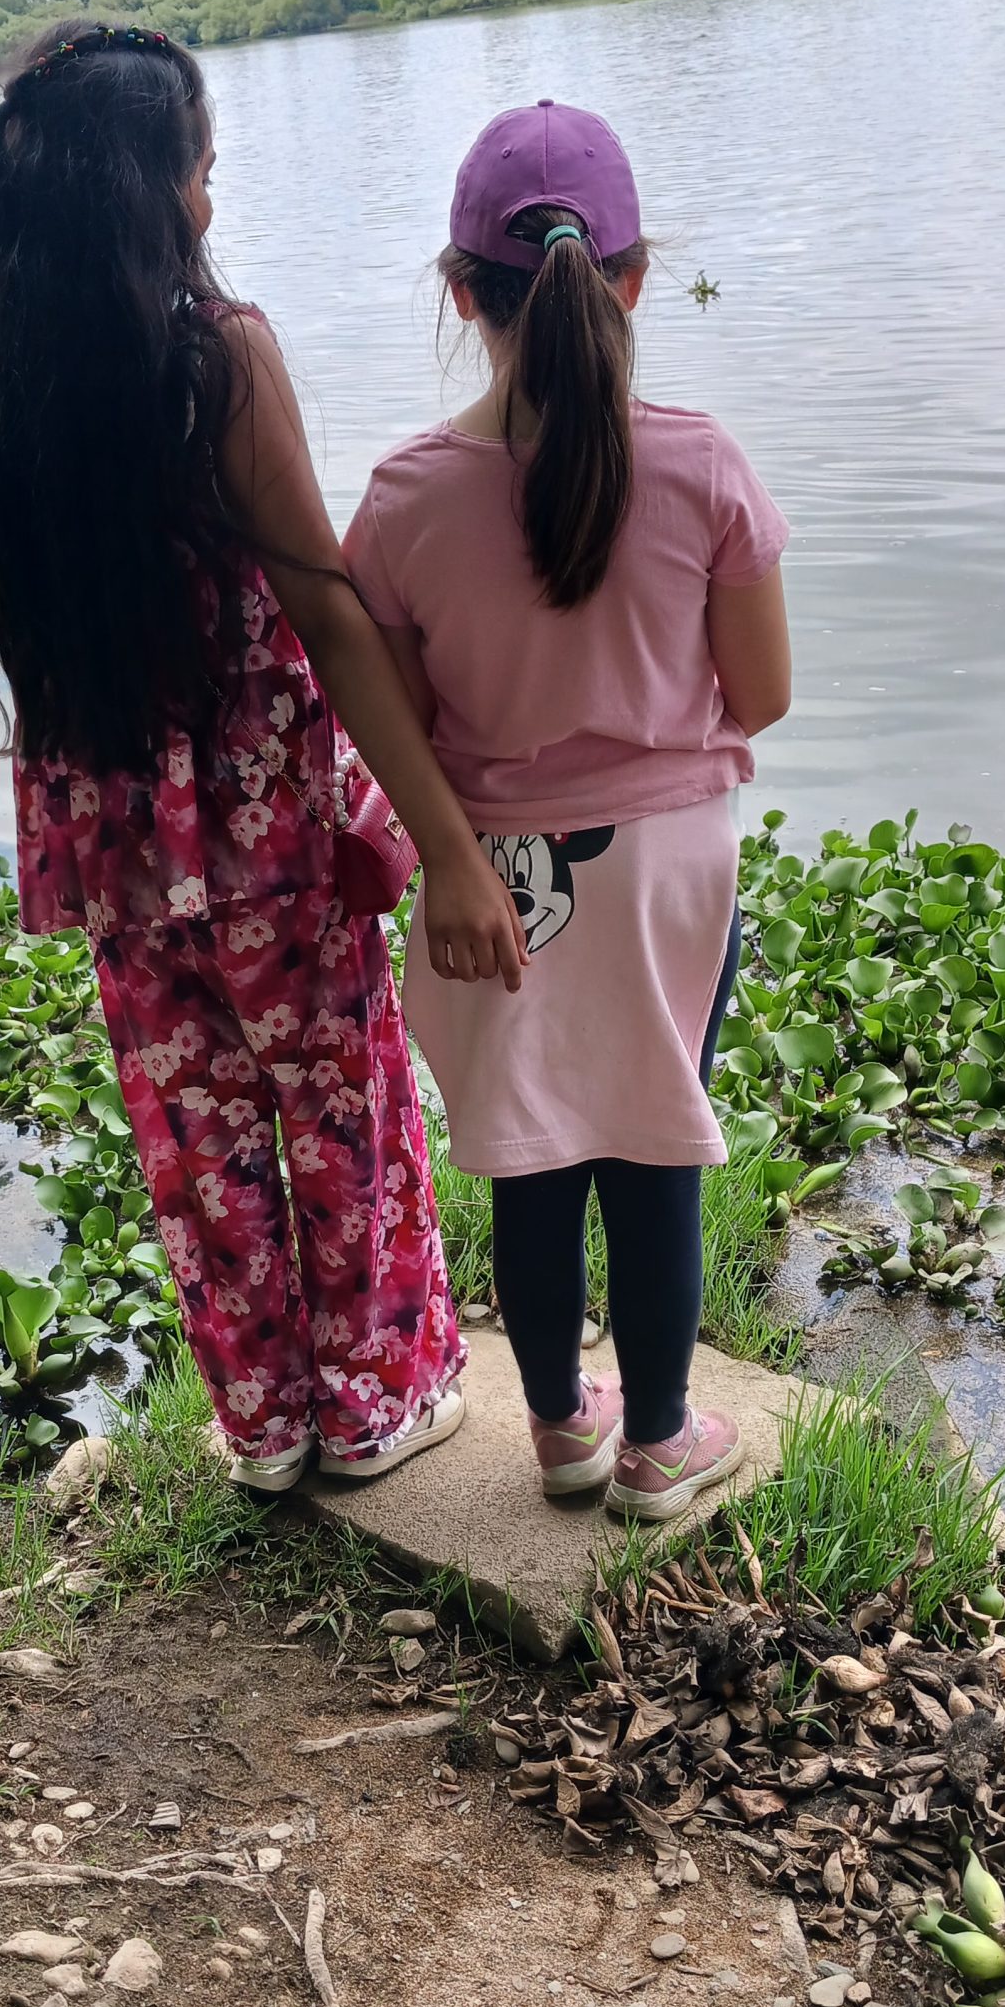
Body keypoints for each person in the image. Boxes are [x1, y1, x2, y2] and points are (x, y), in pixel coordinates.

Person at [0, 21, 527, 1492]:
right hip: (268, 839)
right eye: (201, 170)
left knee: (195, 1133)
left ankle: (265, 1424)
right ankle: (376, 1403)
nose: (211, 197)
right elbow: (326, 613)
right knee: (340, 1110)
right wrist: (450, 845)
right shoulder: (220, 361)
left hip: (118, 855)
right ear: (148, 195)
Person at [344, 100, 791, 1522]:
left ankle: (560, 1433)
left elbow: (397, 719)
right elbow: (764, 694)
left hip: (492, 877)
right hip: (668, 874)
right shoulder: (703, 463)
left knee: (527, 1155)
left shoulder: (403, 500)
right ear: (634, 282)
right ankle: (659, 1441)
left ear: (459, 295)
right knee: (657, 1143)